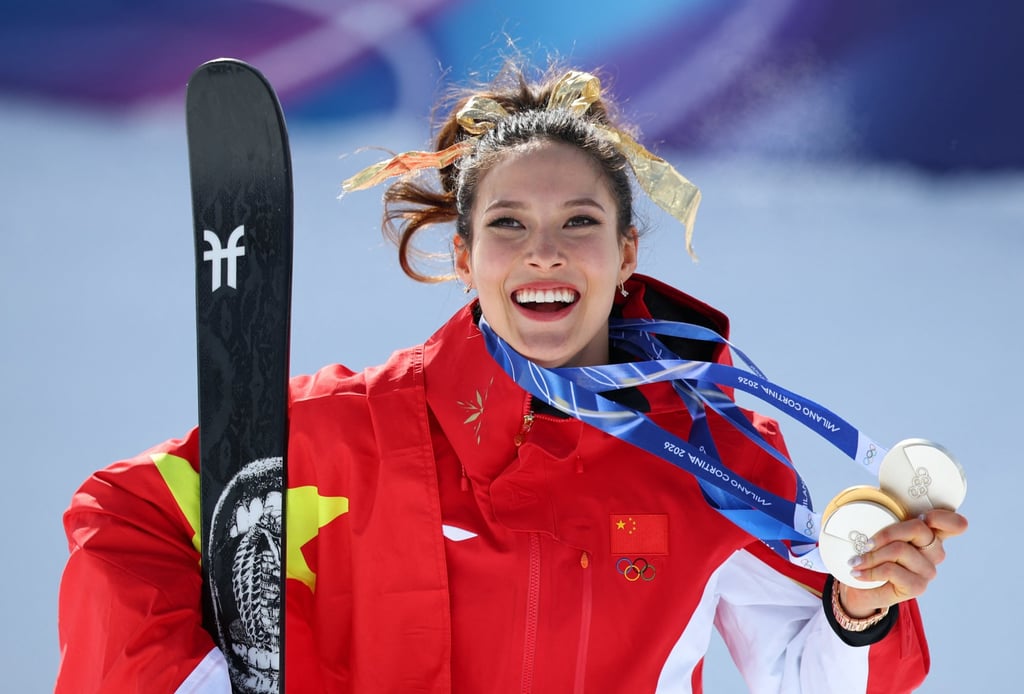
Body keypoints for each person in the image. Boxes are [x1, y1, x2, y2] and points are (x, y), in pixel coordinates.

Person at [56, 63, 967, 693]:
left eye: (579, 222)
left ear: (626, 252)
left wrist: (859, 611)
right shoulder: (348, 430)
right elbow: (123, 516)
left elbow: (805, 675)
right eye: (507, 224)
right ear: (463, 256)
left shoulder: (713, 457)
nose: (544, 252)